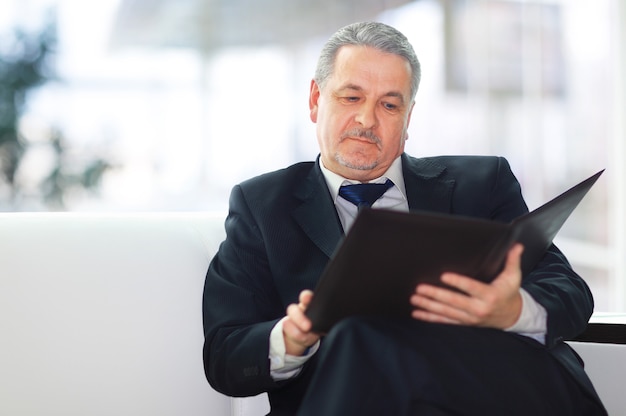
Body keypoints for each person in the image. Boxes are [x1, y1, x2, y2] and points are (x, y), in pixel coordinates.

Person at [202, 21, 606, 415]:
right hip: (349, 397)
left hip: (483, 389)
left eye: (389, 104)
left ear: (408, 119)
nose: (366, 120)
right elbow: (225, 356)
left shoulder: (482, 185)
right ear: (315, 99)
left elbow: (569, 291)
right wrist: (290, 339)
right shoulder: (261, 205)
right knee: (357, 337)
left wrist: (513, 311)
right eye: (351, 97)